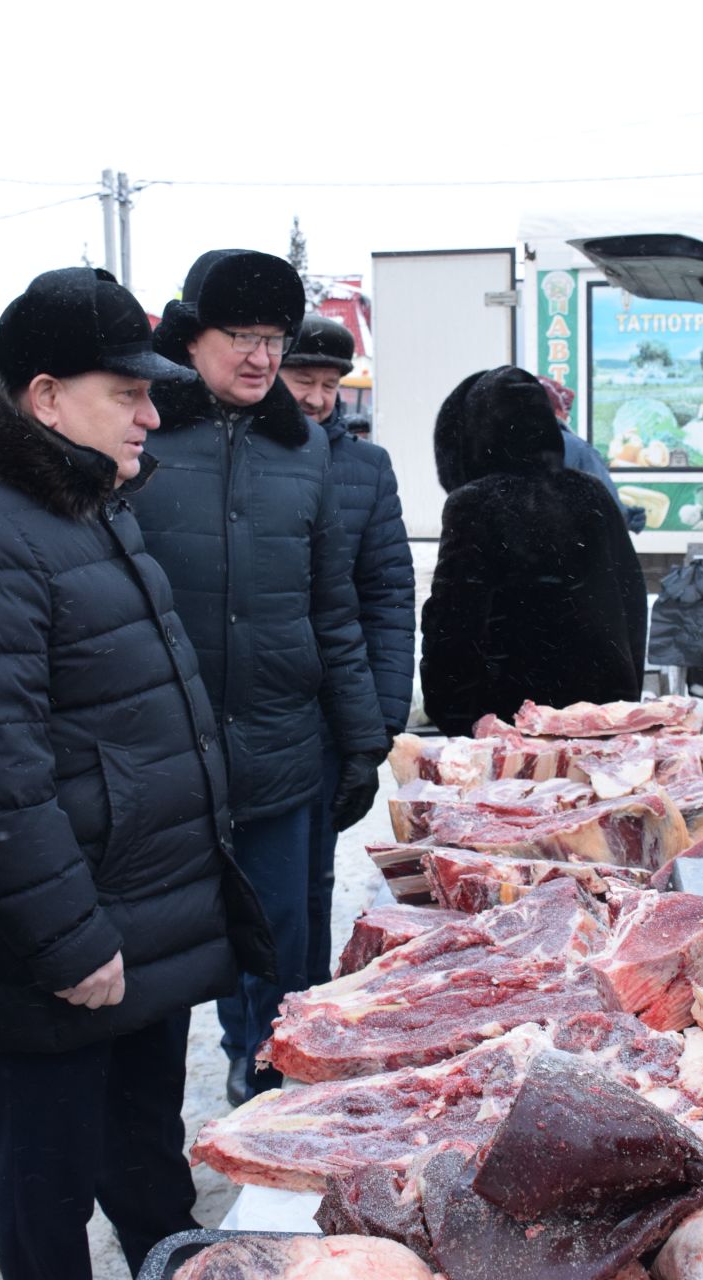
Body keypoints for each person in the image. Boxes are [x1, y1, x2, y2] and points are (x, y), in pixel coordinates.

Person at [0, 266, 274, 1278]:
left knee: (144, 1158)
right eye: (127, 392)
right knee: (46, 1187)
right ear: (46, 396)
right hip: (62, 943)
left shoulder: (86, 500)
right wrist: (65, 938)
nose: (152, 413)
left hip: (132, 915)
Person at [141, 250, 389, 1104]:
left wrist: (362, 735)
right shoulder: (140, 436)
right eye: (239, 335)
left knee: (284, 954)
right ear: (193, 337)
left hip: (283, 745)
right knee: (168, 965)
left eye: (273, 339)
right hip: (162, 756)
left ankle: (273, 1103)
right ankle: (152, 1153)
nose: (259, 357)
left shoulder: (306, 449)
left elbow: (334, 607)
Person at [279, 314, 414, 985]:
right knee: (252, 895)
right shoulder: (238, 462)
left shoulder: (365, 467)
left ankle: (290, 1022)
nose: (317, 397)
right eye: (303, 379)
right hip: (253, 713)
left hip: (336, 712)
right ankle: (250, 1034)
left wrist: (382, 723)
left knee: (309, 886)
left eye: (330, 383)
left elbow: (388, 598)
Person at [421, 366, 647, 736]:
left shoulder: (476, 503)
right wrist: (623, 695)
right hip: (599, 718)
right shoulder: (590, 492)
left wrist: (456, 714)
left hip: (510, 725)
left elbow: (455, 620)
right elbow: (631, 598)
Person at [537, 375, 646, 533]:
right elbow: (608, 505)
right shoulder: (577, 449)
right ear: (558, 411)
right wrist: (629, 517)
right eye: (566, 411)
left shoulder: (502, 445)